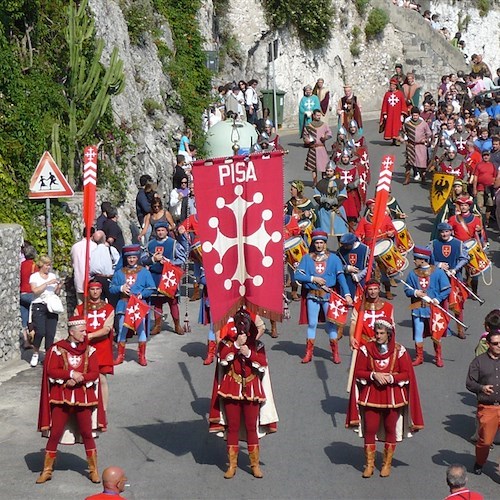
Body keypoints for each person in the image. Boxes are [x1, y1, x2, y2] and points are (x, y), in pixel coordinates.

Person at [346, 319, 424, 478]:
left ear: (389, 334)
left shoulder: (399, 350)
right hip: (372, 394)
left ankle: (386, 464)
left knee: (390, 428)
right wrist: (373, 375)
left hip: (392, 396)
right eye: (376, 333)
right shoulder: (366, 349)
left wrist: (390, 378)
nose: (378, 336)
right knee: (370, 428)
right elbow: (358, 372)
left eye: (382, 333)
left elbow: (407, 374)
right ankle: (369, 465)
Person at [208, 309, 278, 479]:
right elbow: (223, 358)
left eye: (245, 324)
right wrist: (236, 345)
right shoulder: (226, 342)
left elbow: (262, 363)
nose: (242, 327)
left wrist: (248, 352)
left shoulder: (258, 345)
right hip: (232, 388)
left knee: (251, 427)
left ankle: (254, 465)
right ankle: (232, 465)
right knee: (232, 427)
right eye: (239, 324)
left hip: (253, 390)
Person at [36, 316, 104, 484]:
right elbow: (51, 370)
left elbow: (95, 373)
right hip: (61, 397)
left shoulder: (90, 350)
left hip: (84, 397)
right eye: (82, 331)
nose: (85, 334)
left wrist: (80, 378)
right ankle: (47, 470)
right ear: (72, 332)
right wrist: (70, 374)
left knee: (87, 433)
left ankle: (93, 470)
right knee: (55, 433)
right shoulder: (57, 349)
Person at [294, 230, 353, 364]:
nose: (319, 245)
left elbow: (341, 277)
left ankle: (335, 353)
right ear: (313, 243)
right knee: (312, 324)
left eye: (321, 242)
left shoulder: (334, 258)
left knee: (331, 324)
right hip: (312, 296)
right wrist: (313, 278)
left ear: (325, 244)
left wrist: (348, 294)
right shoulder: (307, 258)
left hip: (328, 296)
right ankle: (308, 353)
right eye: (317, 242)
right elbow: (297, 275)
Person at [404, 246, 451, 367]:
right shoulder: (412, 274)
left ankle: (438, 356)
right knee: (418, 333)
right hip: (418, 308)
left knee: (436, 333)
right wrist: (415, 293)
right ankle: (419, 357)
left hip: (434, 310)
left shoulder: (438, 272)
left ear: (422, 259)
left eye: (416, 258)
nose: (414, 261)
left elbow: (447, 289)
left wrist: (437, 299)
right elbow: (406, 290)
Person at [109, 245, 156, 366]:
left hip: (138, 305)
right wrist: (120, 288)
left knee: (141, 330)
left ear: (137, 258)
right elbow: (111, 288)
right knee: (122, 330)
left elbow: (151, 287)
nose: (131, 260)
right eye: (129, 257)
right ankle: (120, 356)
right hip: (123, 304)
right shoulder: (119, 273)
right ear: (126, 258)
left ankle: (142, 356)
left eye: (134, 257)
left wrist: (142, 294)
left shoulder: (144, 272)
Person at [142, 221, 188, 335]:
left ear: (167, 231)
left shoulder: (173, 243)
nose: (160, 232)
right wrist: (151, 261)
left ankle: (177, 325)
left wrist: (169, 262)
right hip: (155, 275)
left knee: (172, 301)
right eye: (158, 230)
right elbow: (143, 259)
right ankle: (157, 325)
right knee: (157, 301)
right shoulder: (150, 244)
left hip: (169, 276)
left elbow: (182, 258)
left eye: (162, 230)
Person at [466, 326, 500, 476]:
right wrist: (481, 387)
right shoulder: (478, 362)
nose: (499, 346)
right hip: (488, 408)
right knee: (485, 442)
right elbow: (469, 383)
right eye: (495, 343)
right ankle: (480, 462)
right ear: (488, 344)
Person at [75, 282, 115, 410]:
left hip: (101, 347)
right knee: (83, 379)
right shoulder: (80, 308)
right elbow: (76, 326)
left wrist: (91, 336)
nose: (95, 292)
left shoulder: (108, 308)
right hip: (85, 348)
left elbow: (107, 329)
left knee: (102, 379)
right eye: (92, 289)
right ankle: (85, 408)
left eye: (97, 289)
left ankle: (103, 411)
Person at [428, 222, 470, 338]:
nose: (444, 234)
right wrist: (438, 264)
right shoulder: (433, 244)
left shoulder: (458, 244)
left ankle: (460, 329)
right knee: (441, 303)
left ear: (451, 231)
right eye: (442, 232)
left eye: (446, 231)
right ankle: (443, 327)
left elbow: (465, 258)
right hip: (439, 279)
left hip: (455, 279)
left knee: (458, 304)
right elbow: (426, 259)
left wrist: (455, 269)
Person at [29, 255, 63, 367]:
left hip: (51, 306)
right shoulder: (34, 277)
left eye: (49, 265)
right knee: (40, 331)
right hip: (39, 305)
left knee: (50, 333)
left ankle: (48, 356)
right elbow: (35, 291)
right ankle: (35, 352)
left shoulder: (52, 275)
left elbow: (56, 293)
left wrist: (58, 286)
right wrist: (47, 283)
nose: (48, 267)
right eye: (46, 265)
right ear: (41, 265)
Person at [349, 279, 394, 349]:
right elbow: (353, 323)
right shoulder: (359, 306)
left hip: (382, 343)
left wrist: (391, 343)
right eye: (370, 289)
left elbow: (391, 327)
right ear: (367, 290)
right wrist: (351, 337)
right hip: (363, 342)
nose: (373, 292)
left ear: (379, 290)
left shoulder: (388, 307)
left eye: (375, 289)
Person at [313, 162, 349, 237]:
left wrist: (335, 201)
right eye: (327, 171)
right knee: (323, 234)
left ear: (334, 171)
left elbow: (343, 195)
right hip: (324, 211)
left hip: (337, 210)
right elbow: (317, 195)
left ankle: (342, 248)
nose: (328, 173)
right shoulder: (321, 183)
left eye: (330, 171)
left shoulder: (339, 183)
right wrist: (323, 200)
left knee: (341, 235)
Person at [401, 107, 432, 184]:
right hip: (411, 145)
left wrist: (425, 140)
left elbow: (429, 134)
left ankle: (423, 178)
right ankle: (407, 179)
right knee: (409, 163)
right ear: (411, 115)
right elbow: (403, 131)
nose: (415, 117)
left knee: (422, 163)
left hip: (421, 146)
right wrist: (403, 138)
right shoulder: (408, 124)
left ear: (419, 115)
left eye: (416, 115)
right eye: (413, 115)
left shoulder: (423, 124)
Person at [336, 233, 371, 300]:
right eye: (344, 245)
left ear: (353, 243)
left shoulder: (365, 249)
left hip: (361, 280)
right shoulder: (340, 251)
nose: (345, 247)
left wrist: (359, 275)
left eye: (347, 245)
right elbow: (336, 265)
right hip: (346, 280)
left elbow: (371, 266)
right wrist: (346, 268)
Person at [90, 230, 120, 306]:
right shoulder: (111, 250)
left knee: (100, 303)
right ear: (104, 238)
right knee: (113, 302)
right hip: (109, 279)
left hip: (97, 279)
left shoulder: (92, 252)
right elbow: (118, 264)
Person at [303, 108, 333, 186]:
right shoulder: (309, 126)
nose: (319, 117)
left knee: (324, 167)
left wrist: (325, 137)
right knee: (313, 167)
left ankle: (324, 181)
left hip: (321, 148)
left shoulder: (324, 125)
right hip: (313, 148)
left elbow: (330, 133)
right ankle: (315, 182)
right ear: (313, 115)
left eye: (320, 115)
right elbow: (305, 136)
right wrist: (307, 140)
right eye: (317, 115)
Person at [71, 228, 97, 305]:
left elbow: (72, 262)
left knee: (81, 305)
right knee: (92, 305)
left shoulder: (75, 246)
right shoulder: (94, 246)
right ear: (93, 234)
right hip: (90, 279)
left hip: (78, 279)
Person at [20, 242, 38, 349]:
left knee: (24, 319)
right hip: (31, 294)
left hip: (22, 294)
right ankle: (34, 338)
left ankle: (26, 341)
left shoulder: (21, 265)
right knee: (34, 318)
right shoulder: (34, 266)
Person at [380, 78, 407, 146]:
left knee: (397, 127)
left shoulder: (400, 94)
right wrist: (385, 113)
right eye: (391, 85)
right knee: (390, 127)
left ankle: (397, 140)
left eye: (393, 85)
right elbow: (385, 104)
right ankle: (393, 140)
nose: (391, 86)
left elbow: (403, 104)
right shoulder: (387, 94)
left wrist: (402, 114)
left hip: (397, 114)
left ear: (395, 86)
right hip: (390, 114)